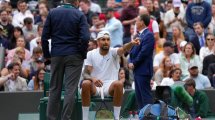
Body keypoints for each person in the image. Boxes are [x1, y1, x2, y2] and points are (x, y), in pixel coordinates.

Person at [41, 0, 90, 119]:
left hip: (57, 55)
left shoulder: (52, 13)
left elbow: (44, 38)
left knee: (54, 89)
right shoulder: (79, 15)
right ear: (77, 2)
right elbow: (85, 37)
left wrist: (47, 56)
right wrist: (81, 54)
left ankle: (51, 118)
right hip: (74, 55)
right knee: (70, 89)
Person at [81, 30, 140, 120]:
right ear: (98, 41)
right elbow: (85, 73)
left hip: (110, 86)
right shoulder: (91, 54)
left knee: (119, 84)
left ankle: (116, 118)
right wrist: (93, 79)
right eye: (103, 39)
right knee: (85, 83)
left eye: (108, 40)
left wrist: (131, 43)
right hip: (95, 86)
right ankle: (85, 118)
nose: (106, 42)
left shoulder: (114, 52)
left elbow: (123, 49)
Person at [129, 14, 155, 109]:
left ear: (142, 22)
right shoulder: (137, 35)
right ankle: (143, 116)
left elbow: (144, 52)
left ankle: (150, 117)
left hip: (144, 70)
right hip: (137, 70)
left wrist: (134, 63)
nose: (135, 22)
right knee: (139, 97)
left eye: (137, 20)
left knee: (145, 97)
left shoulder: (149, 35)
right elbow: (131, 51)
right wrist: (130, 61)